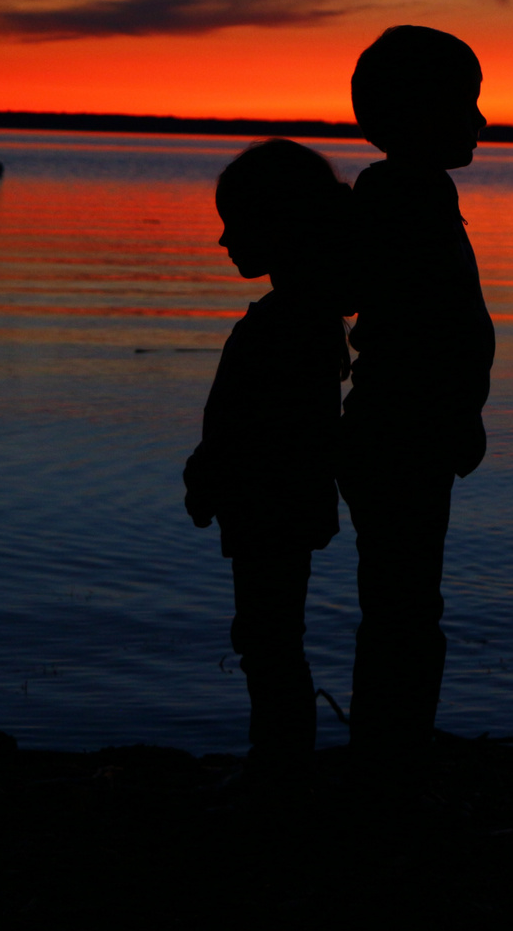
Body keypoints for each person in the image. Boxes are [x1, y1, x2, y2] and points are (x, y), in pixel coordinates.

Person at [340, 26, 496, 763]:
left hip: (412, 427)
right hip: (401, 429)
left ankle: (392, 745)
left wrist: (463, 414)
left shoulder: (415, 190)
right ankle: (391, 753)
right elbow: (427, 328)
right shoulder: (402, 195)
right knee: (404, 604)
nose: (481, 120)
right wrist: (456, 414)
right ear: (420, 112)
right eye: (468, 103)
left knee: (403, 600)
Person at [183, 138, 353, 784]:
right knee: (268, 635)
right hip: (278, 504)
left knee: (267, 638)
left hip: (270, 507)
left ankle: (280, 764)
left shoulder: (287, 325)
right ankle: (281, 758)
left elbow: (262, 428)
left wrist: (211, 474)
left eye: (235, 224)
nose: (224, 241)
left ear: (278, 226)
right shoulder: (305, 319)